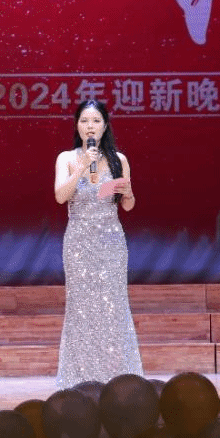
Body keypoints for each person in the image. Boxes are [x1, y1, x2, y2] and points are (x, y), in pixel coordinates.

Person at [53, 100, 144, 389]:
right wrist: (81, 167)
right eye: (84, 121)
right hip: (79, 241)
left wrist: (128, 192)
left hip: (111, 241)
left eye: (95, 121)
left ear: (105, 126)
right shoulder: (67, 158)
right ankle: (80, 380)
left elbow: (127, 205)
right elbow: (60, 196)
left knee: (113, 309)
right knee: (81, 310)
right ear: (77, 126)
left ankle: (117, 380)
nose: (90, 127)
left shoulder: (119, 159)